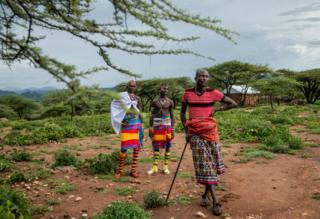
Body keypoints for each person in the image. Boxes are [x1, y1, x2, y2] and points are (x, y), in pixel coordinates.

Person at [180, 69, 237, 216]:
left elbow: (233, 103)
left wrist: (218, 109)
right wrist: (186, 130)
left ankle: (205, 195)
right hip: (195, 133)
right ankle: (216, 201)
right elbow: (182, 112)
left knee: (210, 164)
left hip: (211, 132)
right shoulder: (187, 93)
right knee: (205, 164)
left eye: (206, 76)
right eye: (201, 76)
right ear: (196, 78)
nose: (204, 78)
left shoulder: (213, 93)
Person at [111, 80, 143, 178]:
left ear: (136, 87)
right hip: (126, 123)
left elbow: (140, 112)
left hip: (136, 123)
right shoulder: (122, 97)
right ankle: (119, 171)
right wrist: (120, 120)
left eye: (134, 86)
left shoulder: (138, 98)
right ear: (127, 87)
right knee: (124, 148)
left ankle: (133, 170)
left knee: (136, 148)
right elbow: (115, 107)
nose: (132, 87)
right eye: (130, 86)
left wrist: (142, 125)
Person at [148, 84, 175, 175]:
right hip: (157, 125)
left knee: (167, 146)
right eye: (164, 88)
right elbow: (151, 115)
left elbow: (172, 116)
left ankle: (165, 167)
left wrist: (173, 128)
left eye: (167, 88)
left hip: (167, 126)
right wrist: (150, 127)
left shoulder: (170, 102)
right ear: (159, 90)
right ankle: (155, 167)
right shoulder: (155, 101)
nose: (165, 90)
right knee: (156, 145)